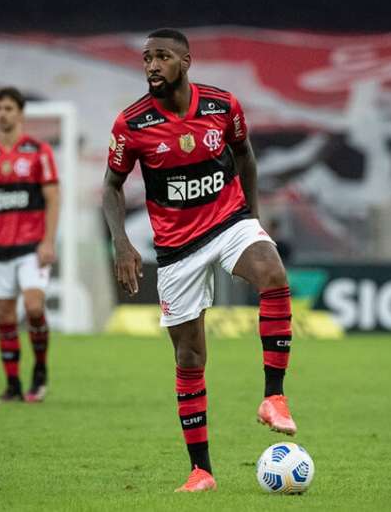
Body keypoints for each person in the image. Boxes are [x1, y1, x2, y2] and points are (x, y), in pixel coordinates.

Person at [103, 29, 296, 493]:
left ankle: (274, 396)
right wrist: (122, 242)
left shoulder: (222, 106)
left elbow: (245, 154)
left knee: (273, 274)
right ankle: (201, 470)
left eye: (162, 57)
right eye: (147, 58)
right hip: (175, 249)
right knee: (190, 357)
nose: (152, 66)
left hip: (228, 222)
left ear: (185, 61)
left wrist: (251, 214)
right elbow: (111, 187)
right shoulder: (132, 124)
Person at [0, 87, 60, 403]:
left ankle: (40, 371)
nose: (2, 113)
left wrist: (48, 241)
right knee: (4, 317)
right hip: (0, 250)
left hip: (32, 247)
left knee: (34, 307)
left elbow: (52, 197)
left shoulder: (38, 151)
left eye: (8, 108)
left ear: (20, 113)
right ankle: (13, 385)